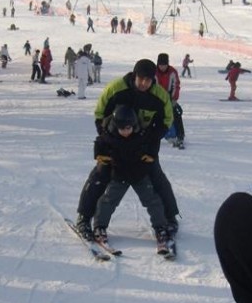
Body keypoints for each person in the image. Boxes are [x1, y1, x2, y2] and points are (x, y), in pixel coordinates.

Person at [75, 59, 179, 239]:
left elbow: (166, 121)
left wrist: (150, 144)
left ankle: (170, 218)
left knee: (156, 177)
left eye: (148, 80)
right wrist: (107, 139)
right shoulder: (116, 88)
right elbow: (100, 114)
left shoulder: (159, 96)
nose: (144, 83)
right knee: (100, 175)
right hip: (115, 143)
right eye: (141, 79)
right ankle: (84, 217)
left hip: (143, 145)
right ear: (134, 75)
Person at [92, 105, 168, 247]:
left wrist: (150, 154)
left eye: (128, 128)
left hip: (139, 174)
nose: (126, 132)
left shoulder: (141, 134)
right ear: (116, 126)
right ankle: (99, 227)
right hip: (119, 174)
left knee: (152, 200)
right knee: (108, 201)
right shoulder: (109, 136)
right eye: (122, 129)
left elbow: (152, 142)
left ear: (134, 125)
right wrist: (100, 155)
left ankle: (160, 228)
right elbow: (99, 143)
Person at [155, 53, 185, 148]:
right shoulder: (154, 72)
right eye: (160, 65)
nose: (162, 67)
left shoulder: (172, 72)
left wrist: (174, 99)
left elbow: (176, 85)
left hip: (169, 97)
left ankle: (180, 136)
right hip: (157, 98)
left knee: (176, 114)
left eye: (164, 65)